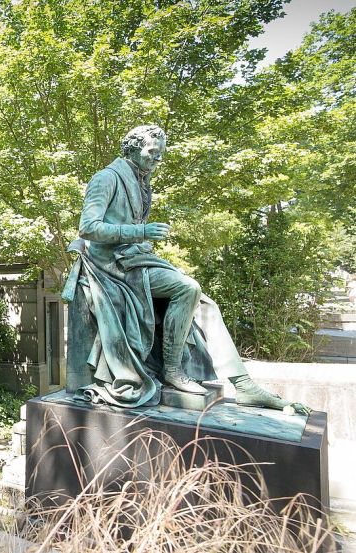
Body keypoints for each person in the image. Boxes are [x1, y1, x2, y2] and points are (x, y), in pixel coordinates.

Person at [62, 125, 308, 413]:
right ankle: (173, 370)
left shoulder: (142, 182)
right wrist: (140, 231)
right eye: (153, 152)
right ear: (131, 148)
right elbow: (88, 227)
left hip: (135, 260)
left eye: (160, 154)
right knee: (187, 287)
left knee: (202, 302)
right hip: (110, 267)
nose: (158, 159)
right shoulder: (106, 178)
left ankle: (244, 385)